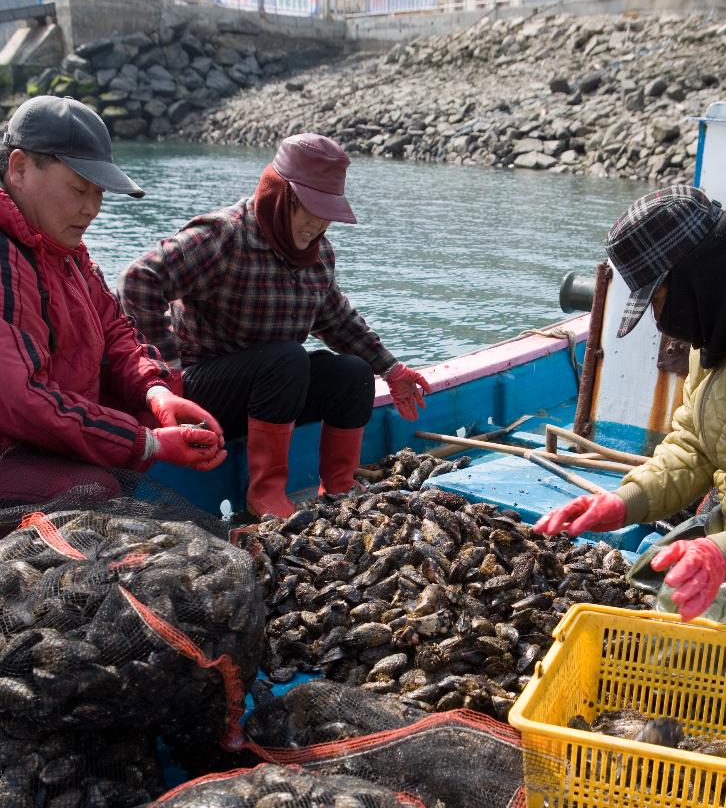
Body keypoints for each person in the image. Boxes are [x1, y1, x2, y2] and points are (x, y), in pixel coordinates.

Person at [535, 184, 726, 669]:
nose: (660, 321)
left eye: (657, 299)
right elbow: (695, 443)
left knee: (662, 663)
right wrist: (624, 502)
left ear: (693, 276)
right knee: (646, 579)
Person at [117, 133, 430, 519]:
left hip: (275, 392)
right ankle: (264, 496)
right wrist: (167, 377)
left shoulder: (317, 255)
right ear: (281, 196)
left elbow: (337, 320)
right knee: (286, 359)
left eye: (327, 213)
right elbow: (139, 280)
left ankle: (339, 487)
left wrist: (392, 369)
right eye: (310, 210)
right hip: (201, 396)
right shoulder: (224, 236)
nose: (318, 225)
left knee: (352, 372)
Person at [0, 96, 225, 502]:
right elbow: (25, 398)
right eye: (78, 189)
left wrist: (157, 392)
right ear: (19, 169)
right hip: (8, 449)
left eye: (98, 192)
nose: (92, 209)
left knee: (142, 413)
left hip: (34, 442)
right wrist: (147, 443)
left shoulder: (66, 250)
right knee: (93, 489)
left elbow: (117, 331)